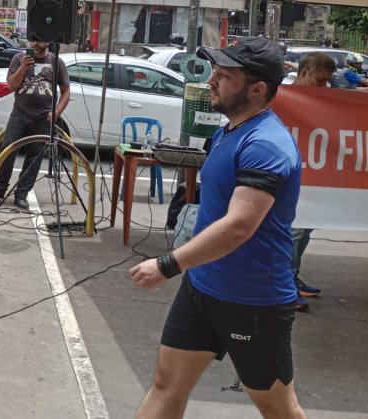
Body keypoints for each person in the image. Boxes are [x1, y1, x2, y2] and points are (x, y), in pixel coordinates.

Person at [129, 37, 306, 419]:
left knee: (279, 408)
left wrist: (167, 265)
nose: (211, 81)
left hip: (252, 301)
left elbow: (238, 227)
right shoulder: (228, 131)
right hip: (201, 288)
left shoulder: (267, 145)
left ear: (257, 89)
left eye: (225, 76)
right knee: (167, 385)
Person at [0, 40, 70, 213]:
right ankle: (0, 187)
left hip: (43, 117)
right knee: (7, 149)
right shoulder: (19, 58)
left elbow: (66, 91)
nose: (35, 44)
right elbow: (12, 85)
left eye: (39, 41)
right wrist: (22, 67)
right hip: (20, 114)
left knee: (35, 157)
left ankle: (22, 194)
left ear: (47, 42)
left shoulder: (56, 62)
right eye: (32, 40)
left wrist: (57, 112)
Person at [287, 51, 336, 313]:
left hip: (315, 177)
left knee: (305, 231)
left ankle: (291, 277)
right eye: (319, 80)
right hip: (292, 176)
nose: (323, 87)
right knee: (294, 232)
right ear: (304, 73)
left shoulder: (324, 101)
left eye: (327, 82)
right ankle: (287, 285)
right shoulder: (282, 98)